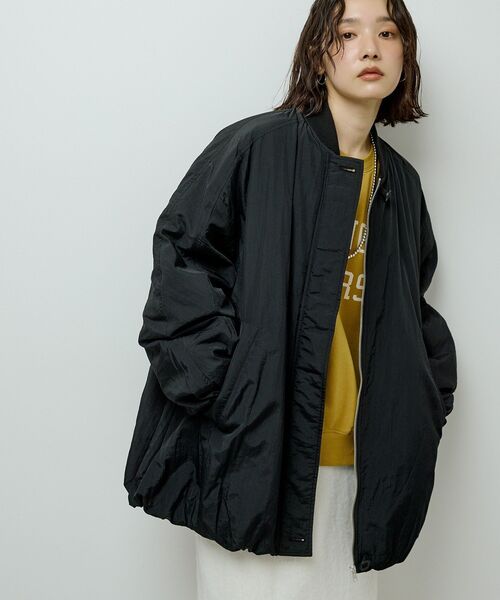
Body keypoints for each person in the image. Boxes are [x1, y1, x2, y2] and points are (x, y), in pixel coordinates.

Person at [124, 0, 457, 596]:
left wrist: (425, 402)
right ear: (318, 51)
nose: (370, 47)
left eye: (388, 32)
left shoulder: (400, 184)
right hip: (256, 454)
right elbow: (181, 264)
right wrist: (229, 392)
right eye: (347, 33)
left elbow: (412, 307)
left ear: (406, 53)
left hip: (360, 465)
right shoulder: (257, 147)